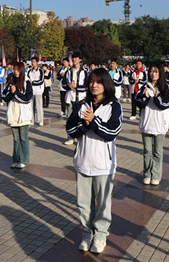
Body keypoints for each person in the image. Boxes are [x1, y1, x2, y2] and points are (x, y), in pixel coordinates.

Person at [66, 68, 122, 254]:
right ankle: (86, 232)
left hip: (103, 164)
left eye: (98, 82)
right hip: (82, 161)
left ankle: (100, 235)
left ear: (106, 84)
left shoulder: (114, 106)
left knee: (102, 203)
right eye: (91, 81)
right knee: (83, 203)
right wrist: (85, 123)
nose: (94, 85)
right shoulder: (81, 105)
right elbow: (71, 130)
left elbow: (111, 133)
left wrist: (94, 121)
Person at [135, 63, 169, 186]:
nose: (153, 74)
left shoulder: (165, 87)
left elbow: (165, 104)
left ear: (160, 73)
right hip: (147, 123)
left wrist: (157, 97)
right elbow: (138, 102)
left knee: (157, 152)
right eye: (151, 71)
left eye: (156, 71)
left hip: (159, 124)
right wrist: (145, 98)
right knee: (147, 151)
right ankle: (147, 174)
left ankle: (156, 175)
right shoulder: (144, 87)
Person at [2, 62, 34, 169]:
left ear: (21, 70)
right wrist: (12, 93)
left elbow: (27, 98)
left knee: (23, 138)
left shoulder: (27, 82)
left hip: (23, 115)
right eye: (14, 69)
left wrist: (15, 93)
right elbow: (4, 96)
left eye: (17, 69)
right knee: (16, 139)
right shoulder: (11, 81)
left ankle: (24, 160)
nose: (15, 72)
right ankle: (16, 159)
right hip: (13, 114)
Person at [62, 52, 88, 145]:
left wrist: (77, 87)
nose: (74, 60)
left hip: (81, 98)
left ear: (80, 60)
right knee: (70, 118)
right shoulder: (68, 71)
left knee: (81, 118)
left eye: (76, 58)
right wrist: (68, 86)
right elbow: (63, 84)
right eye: (73, 58)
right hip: (70, 98)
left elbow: (87, 86)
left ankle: (80, 137)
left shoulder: (84, 72)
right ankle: (70, 137)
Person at [27, 57, 45, 126]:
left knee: (39, 107)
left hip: (38, 91)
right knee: (31, 107)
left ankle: (40, 120)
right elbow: (27, 79)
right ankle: (32, 120)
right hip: (31, 91)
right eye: (32, 62)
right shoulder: (29, 71)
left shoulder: (40, 71)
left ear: (37, 63)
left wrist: (33, 82)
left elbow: (41, 80)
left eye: (34, 61)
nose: (32, 63)